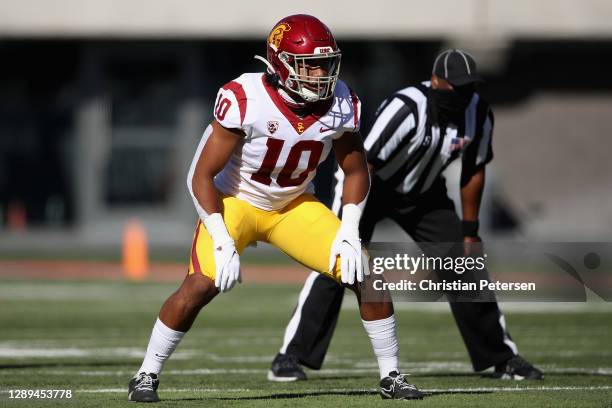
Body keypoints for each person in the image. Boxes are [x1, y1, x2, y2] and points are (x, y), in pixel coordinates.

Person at [128, 14, 424, 402]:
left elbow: (355, 170)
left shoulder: (341, 102)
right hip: (236, 202)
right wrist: (220, 237)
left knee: (366, 274)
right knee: (201, 283)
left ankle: (392, 376)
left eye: (326, 63)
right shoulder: (245, 98)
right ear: (282, 64)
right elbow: (199, 175)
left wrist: (350, 230)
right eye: (310, 64)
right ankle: (146, 374)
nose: (321, 74)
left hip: (292, 205)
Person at [269, 49, 543, 382]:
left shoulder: (479, 113)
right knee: (337, 261)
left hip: (425, 194)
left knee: (464, 263)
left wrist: (470, 231)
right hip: (374, 187)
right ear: (437, 81)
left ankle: (502, 357)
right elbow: (361, 163)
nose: (463, 95)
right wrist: (348, 221)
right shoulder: (407, 107)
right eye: (456, 87)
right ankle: (290, 356)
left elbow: (474, 169)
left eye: (469, 87)